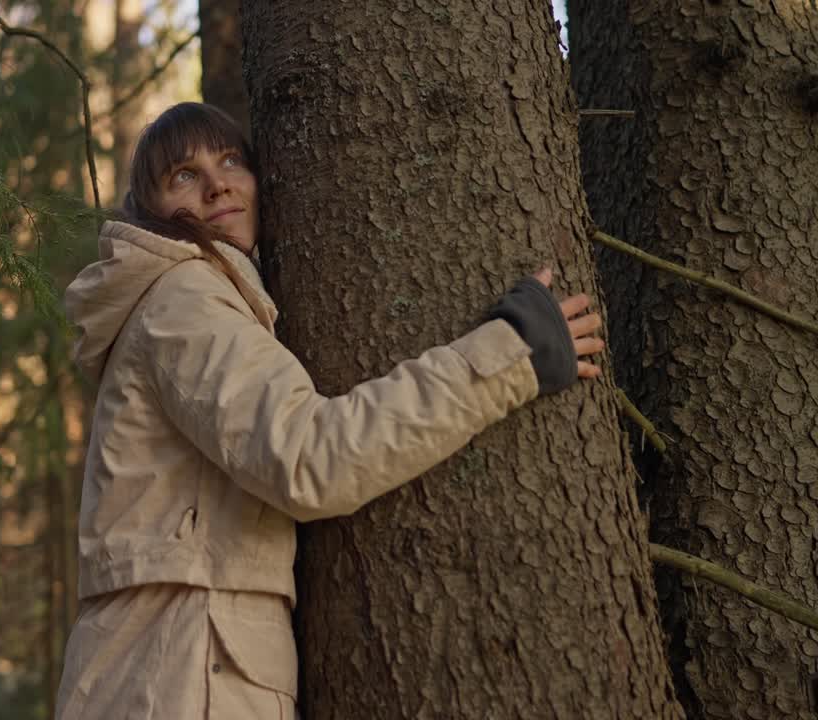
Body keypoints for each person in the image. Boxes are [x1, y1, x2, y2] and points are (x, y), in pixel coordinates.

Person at [57, 102, 604, 719]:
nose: (217, 184)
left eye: (231, 160)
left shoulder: (201, 298)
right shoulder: (185, 299)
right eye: (183, 175)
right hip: (179, 674)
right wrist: (509, 355)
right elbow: (311, 458)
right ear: (153, 214)